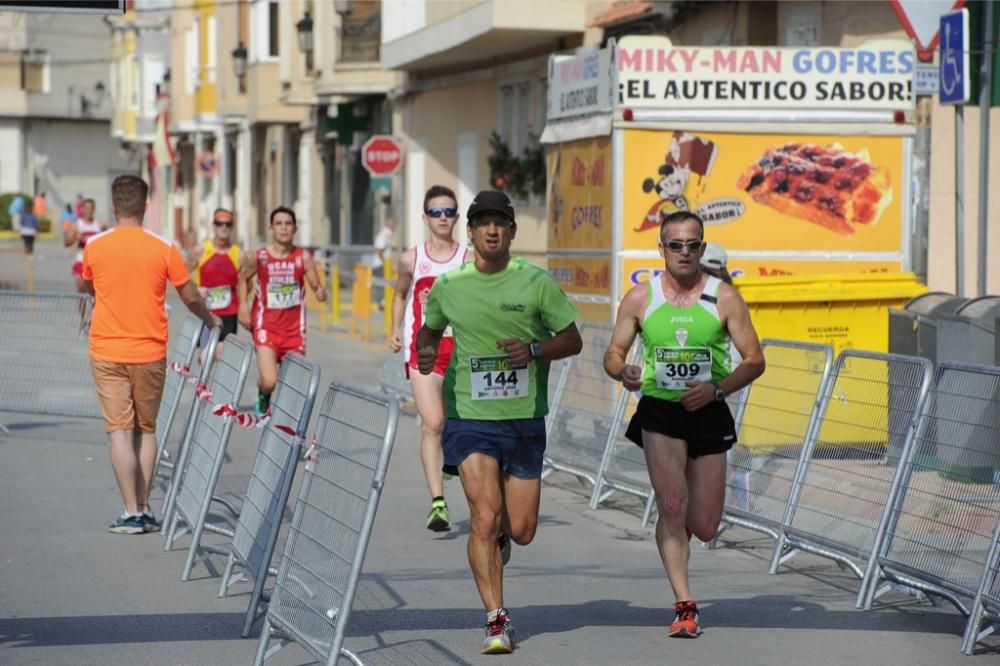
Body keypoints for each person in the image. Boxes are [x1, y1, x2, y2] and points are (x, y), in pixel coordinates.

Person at [416, 189, 582, 655]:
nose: (491, 230)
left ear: (511, 230)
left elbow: (572, 340)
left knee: (521, 529)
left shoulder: (536, 283)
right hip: (470, 417)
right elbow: (429, 329)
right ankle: (496, 618)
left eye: (500, 222)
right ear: (470, 232)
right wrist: (426, 348)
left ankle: (504, 536)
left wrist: (533, 350)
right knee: (483, 518)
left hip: (524, 418)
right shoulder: (450, 286)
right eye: (482, 223)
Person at [603, 211, 765, 638]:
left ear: (702, 249)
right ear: (662, 249)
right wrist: (624, 372)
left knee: (706, 524)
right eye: (676, 244)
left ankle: (676, 533)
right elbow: (613, 354)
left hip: (707, 410)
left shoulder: (724, 298)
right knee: (672, 503)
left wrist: (717, 390)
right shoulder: (640, 298)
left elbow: (754, 360)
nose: (685, 252)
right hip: (660, 409)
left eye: (693, 245)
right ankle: (685, 605)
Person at [82, 175, 221, 534]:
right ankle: (144, 508)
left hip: (107, 349)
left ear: (114, 205)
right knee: (146, 429)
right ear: (145, 207)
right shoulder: (163, 247)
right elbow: (189, 295)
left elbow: (89, 284)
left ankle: (129, 511)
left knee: (119, 432)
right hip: (149, 351)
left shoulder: (95, 245)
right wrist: (210, 319)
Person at [389, 185, 471, 533]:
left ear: (456, 216)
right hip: (424, 351)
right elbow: (399, 293)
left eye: (449, 211)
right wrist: (394, 327)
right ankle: (437, 503)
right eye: (436, 212)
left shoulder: (467, 259)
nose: (443, 218)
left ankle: (451, 458)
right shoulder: (411, 258)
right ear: (425, 218)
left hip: (462, 352)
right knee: (433, 422)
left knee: (457, 423)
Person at [237, 206, 326, 415]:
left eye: (288, 224)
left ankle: (284, 428)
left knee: (292, 387)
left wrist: (321, 292)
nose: (284, 228)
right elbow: (242, 279)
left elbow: (316, 285)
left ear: (295, 228)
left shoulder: (303, 257)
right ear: (271, 228)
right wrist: (242, 306)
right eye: (279, 224)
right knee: (270, 380)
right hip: (266, 327)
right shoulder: (260, 257)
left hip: (295, 331)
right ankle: (263, 392)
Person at [186, 208, 244, 352]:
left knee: (221, 354)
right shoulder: (200, 251)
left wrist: (244, 306)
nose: (223, 227)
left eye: (228, 224)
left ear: (232, 226)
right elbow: (182, 275)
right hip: (205, 311)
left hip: (229, 312)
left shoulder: (239, 254)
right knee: (205, 358)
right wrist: (196, 289)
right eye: (220, 223)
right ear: (214, 226)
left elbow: (244, 282)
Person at [65, 198, 106, 294]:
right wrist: (75, 237)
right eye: (86, 208)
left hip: (95, 261)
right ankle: (82, 309)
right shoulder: (77, 224)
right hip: (81, 260)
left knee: (95, 292)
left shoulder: (99, 225)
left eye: (91, 208)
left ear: (94, 209)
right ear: (82, 209)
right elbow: (67, 242)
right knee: (81, 288)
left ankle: (93, 309)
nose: (89, 210)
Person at [373, 217, 396, 309]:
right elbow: (379, 250)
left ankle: (383, 302)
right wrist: (385, 263)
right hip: (381, 265)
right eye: (393, 224)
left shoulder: (387, 235)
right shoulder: (384, 235)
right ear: (389, 225)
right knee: (381, 285)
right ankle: (381, 303)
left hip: (384, 264)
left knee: (384, 284)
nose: (394, 227)